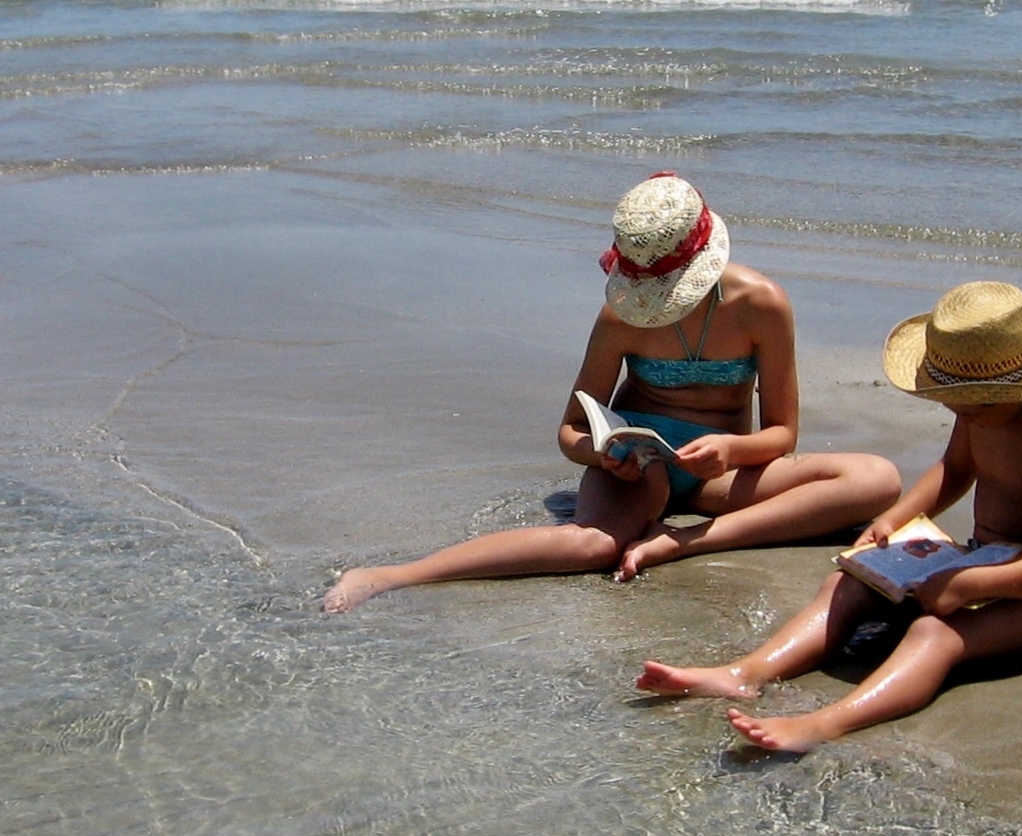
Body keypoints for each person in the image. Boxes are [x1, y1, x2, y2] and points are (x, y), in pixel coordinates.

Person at [322, 174, 901, 612]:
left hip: (721, 469)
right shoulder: (621, 317)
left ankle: (684, 541)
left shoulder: (762, 305)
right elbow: (571, 429)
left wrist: (732, 451)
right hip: (637, 462)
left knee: (876, 480)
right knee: (592, 548)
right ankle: (395, 574)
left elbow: (782, 432)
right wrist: (600, 455)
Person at [635, 280, 1022, 753]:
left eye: (962, 405)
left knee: (935, 633)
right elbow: (955, 470)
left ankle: (828, 722)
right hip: (984, 556)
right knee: (847, 584)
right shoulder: (983, 410)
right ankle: (746, 673)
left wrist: (970, 586)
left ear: (1000, 393)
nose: (953, 411)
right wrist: (896, 519)